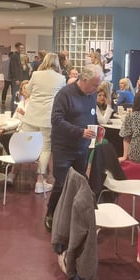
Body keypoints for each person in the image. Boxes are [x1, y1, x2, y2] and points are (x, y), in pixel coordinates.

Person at [46, 64, 103, 231]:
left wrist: (98, 128)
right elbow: (56, 120)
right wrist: (79, 132)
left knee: (79, 183)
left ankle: (71, 215)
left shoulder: (90, 95)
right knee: (61, 183)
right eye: (94, 84)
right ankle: (51, 213)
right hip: (64, 146)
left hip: (82, 147)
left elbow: (91, 117)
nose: (96, 89)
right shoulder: (65, 94)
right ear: (83, 80)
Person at [18, 53, 66, 193]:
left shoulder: (36, 74)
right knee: (45, 149)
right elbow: (61, 96)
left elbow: (27, 90)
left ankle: (14, 172)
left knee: (24, 141)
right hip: (48, 117)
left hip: (32, 115)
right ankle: (40, 181)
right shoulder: (61, 78)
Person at [8, 42, 25, 112]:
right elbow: (14, 68)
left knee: (16, 93)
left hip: (18, 78)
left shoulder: (17, 56)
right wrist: (17, 79)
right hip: (16, 79)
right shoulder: (15, 56)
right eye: (20, 48)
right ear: (17, 48)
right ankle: (13, 109)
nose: (22, 49)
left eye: (22, 48)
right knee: (15, 93)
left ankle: (14, 108)